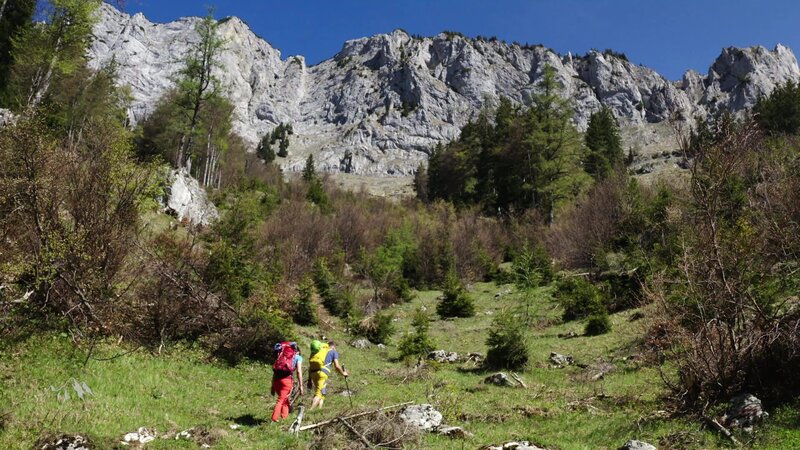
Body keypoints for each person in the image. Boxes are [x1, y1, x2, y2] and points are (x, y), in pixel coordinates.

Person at [307, 340, 348, 410]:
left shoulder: (320, 351)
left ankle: (318, 411)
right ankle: (310, 411)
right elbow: (337, 366)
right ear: (333, 346)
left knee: (322, 393)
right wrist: (343, 373)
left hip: (313, 373)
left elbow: (310, 366)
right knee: (318, 394)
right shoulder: (334, 352)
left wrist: (309, 380)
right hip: (322, 374)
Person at [271, 341, 304, 422]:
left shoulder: (281, 356)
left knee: (285, 399)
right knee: (281, 399)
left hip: (276, 380)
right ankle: (274, 417)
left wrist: (272, 386)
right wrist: (301, 386)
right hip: (287, 381)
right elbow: (299, 371)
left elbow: (275, 371)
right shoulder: (298, 357)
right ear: (298, 351)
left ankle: (284, 417)